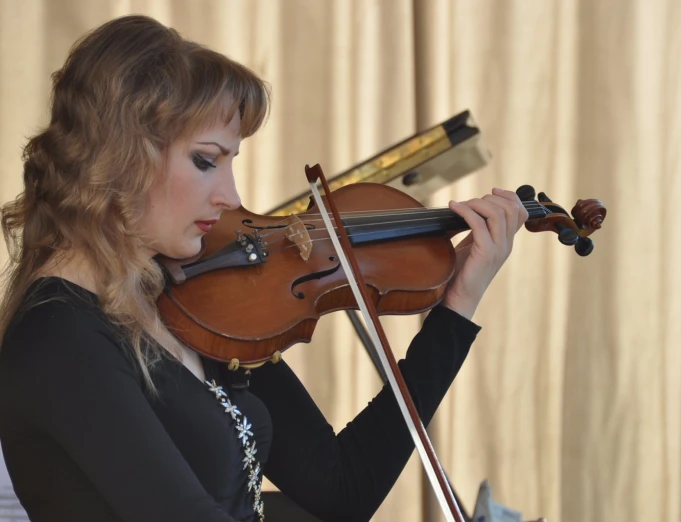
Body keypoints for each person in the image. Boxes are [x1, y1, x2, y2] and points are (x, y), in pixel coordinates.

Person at [0, 14, 527, 522]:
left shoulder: (191, 300)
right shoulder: (58, 337)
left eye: (232, 164)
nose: (231, 197)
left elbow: (343, 488)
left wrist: (456, 306)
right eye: (206, 161)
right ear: (120, 155)